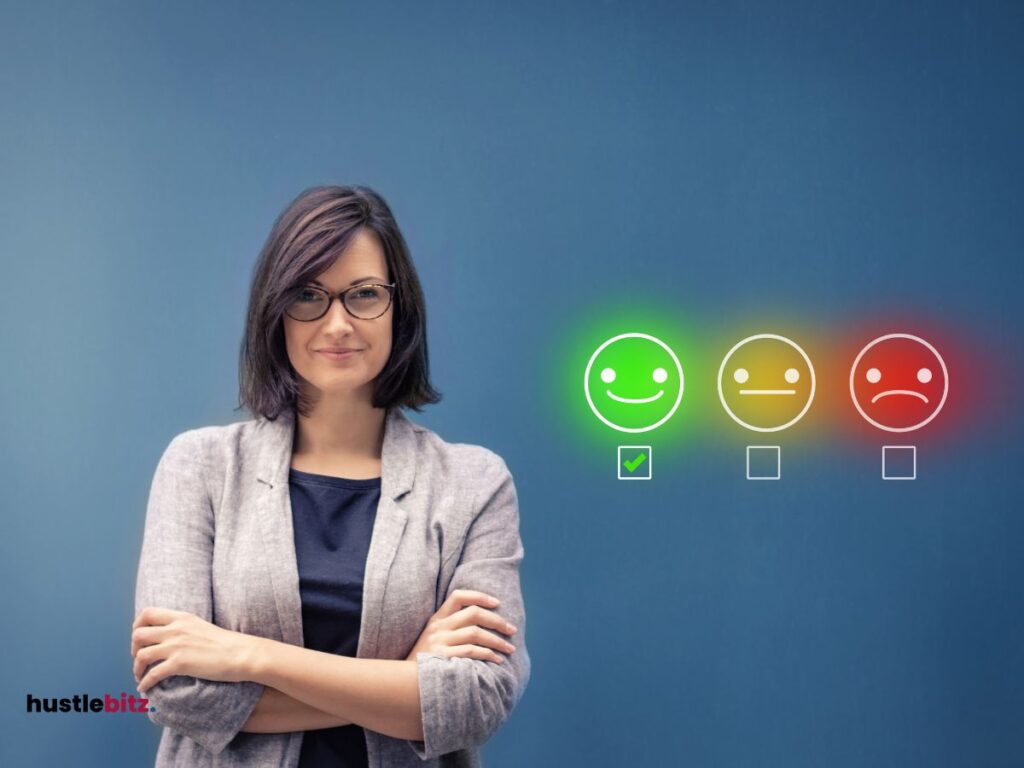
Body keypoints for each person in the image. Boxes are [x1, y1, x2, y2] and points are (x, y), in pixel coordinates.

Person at [130, 185, 530, 767]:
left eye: (364, 294)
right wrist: (405, 681)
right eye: (308, 295)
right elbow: (179, 692)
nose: (338, 323)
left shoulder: (474, 483)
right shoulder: (200, 466)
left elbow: (476, 700)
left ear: (400, 307)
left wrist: (248, 657)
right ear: (276, 311)